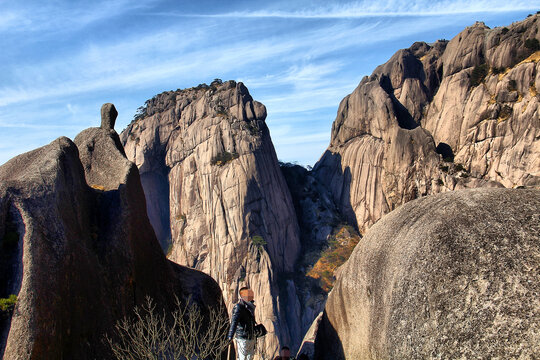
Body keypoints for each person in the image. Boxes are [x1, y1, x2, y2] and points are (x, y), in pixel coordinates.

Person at [228, 287, 257, 360]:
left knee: (249, 358)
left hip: (251, 337)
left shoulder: (249, 307)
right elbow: (234, 322)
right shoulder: (239, 307)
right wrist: (230, 336)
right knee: (242, 358)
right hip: (243, 338)